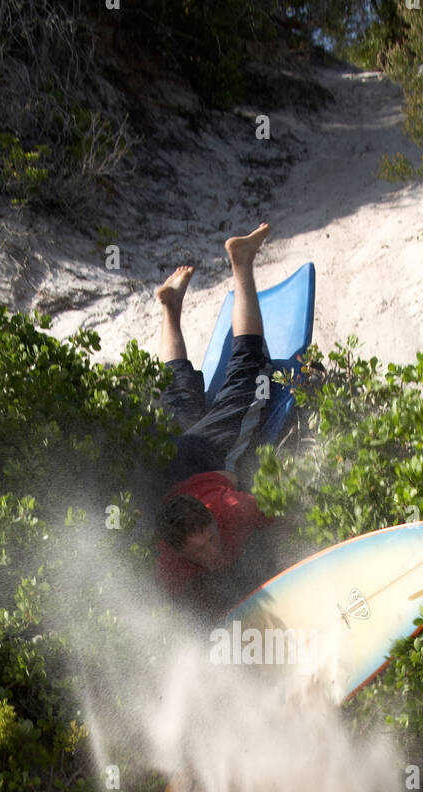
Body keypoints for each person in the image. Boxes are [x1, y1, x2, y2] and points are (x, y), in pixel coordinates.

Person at [153, 223, 279, 607]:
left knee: (250, 371)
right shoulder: (169, 562)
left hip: (205, 453)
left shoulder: (232, 511)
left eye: (209, 536)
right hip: (174, 455)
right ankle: (170, 307)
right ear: (179, 552)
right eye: (202, 550)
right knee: (176, 390)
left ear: (211, 516)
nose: (212, 550)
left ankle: (242, 264)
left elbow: (277, 511)